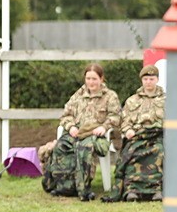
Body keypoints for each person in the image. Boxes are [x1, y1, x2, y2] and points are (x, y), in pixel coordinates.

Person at [43, 63, 122, 201]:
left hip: (96, 134)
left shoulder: (110, 96)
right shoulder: (78, 95)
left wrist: (104, 127)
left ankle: (83, 189)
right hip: (77, 132)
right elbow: (66, 115)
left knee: (83, 148)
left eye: (94, 79)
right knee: (61, 146)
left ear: (101, 79)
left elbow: (116, 116)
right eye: (88, 79)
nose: (91, 82)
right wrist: (71, 126)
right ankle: (64, 187)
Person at [103, 64, 165, 202]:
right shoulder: (132, 101)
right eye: (146, 79)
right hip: (136, 136)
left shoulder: (166, 100)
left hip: (157, 136)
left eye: (151, 79)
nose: (148, 82)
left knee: (159, 151)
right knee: (131, 153)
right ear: (142, 80)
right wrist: (128, 130)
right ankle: (132, 190)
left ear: (157, 80)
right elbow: (124, 120)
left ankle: (156, 189)